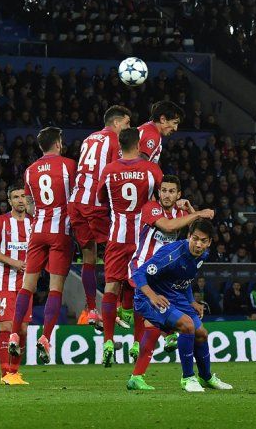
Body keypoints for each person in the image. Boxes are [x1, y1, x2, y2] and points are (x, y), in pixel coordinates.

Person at [127, 219, 232, 392]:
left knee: (201, 334)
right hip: (150, 297)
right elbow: (138, 274)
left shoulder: (202, 255)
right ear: (189, 236)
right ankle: (188, 378)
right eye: (195, 238)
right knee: (187, 325)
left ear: (209, 242)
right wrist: (152, 296)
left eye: (203, 241)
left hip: (174, 295)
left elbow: (185, 280)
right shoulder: (172, 254)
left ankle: (205, 377)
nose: (198, 244)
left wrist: (191, 301)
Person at [8, 127, 77, 367]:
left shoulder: (29, 171)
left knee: (27, 285)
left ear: (41, 147)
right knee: (55, 288)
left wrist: (41, 216)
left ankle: (15, 333)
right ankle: (46, 338)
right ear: (58, 143)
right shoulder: (69, 165)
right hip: (60, 233)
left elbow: (28, 205)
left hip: (37, 232)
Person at [126, 175, 214, 360]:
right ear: (158, 192)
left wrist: (191, 210)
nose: (167, 195)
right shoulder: (150, 208)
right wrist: (198, 213)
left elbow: (196, 234)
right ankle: (149, 341)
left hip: (165, 274)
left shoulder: (181, 213)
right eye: (164, 190)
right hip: (143, 268)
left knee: (160, 319)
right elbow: (167, 226)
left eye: (171, 191)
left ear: (178, 194)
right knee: (154, 317)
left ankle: (160, 339)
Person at [96, 127, 163, 367]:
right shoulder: (152, 170)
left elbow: (102, 199)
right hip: (142, 240)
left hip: (117, 237)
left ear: (119, 145)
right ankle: (136, 342)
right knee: (139, 288)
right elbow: (162, 198)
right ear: (139, 144)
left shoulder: (109, 170)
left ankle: (107, 341)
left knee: (111, 286)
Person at [67, 105, 131, 328]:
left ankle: (92, 310)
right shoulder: (115, 141)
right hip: (95, 205)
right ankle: (123, 307)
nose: (128, 128)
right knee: (119, 251)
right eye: (127, 123)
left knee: (89, 258)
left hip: (76, 202)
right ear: (116, 123)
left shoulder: (89, 138)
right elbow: (117, 172)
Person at [0, 185, 32, 384]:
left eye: (23, 196)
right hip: (5, 281)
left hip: (27, 284)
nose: (20, 200)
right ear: (9, 201)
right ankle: (5, 374)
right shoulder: (1, 221)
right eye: (16, 197)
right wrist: (13, 262)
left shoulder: (34, 223)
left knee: (22, 330)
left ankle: (14, 372)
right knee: (6, 326)